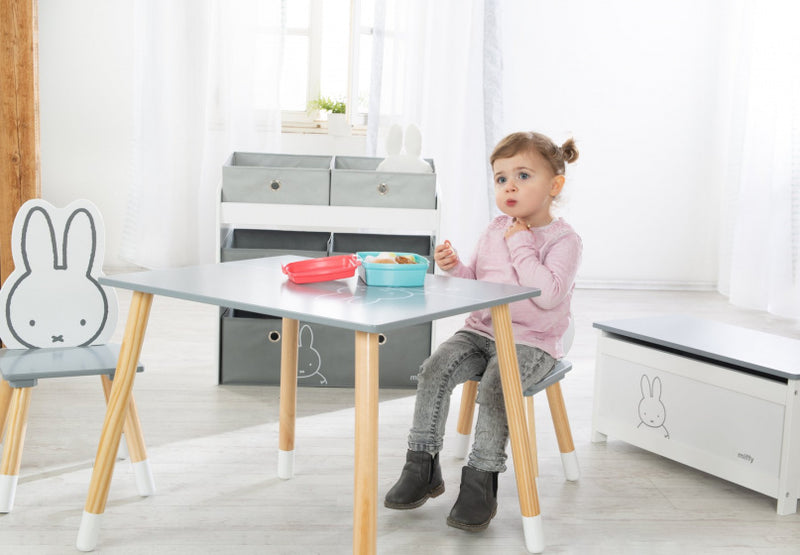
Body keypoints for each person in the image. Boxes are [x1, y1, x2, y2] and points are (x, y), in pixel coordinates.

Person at [384, 131, 582, 531]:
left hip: (532, 342)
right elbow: (477, 281)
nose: (510, 186)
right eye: (501, 178)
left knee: (496, 386)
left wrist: (522, 243)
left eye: (523, 176)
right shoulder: (495, 229)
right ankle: (422, 465)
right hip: (482, 331)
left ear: (554, 186)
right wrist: (455, 267)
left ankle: (481, 481)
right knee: (434, 367)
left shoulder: (564, 240)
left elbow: (548, 295)